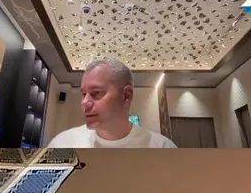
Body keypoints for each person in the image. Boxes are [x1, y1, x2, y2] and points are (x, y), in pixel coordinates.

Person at [47, 58, 177, 148]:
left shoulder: (162, 148)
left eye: (96, 93)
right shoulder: (62, 144)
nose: (84, 102)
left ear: (126, 96)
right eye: (84, 94)